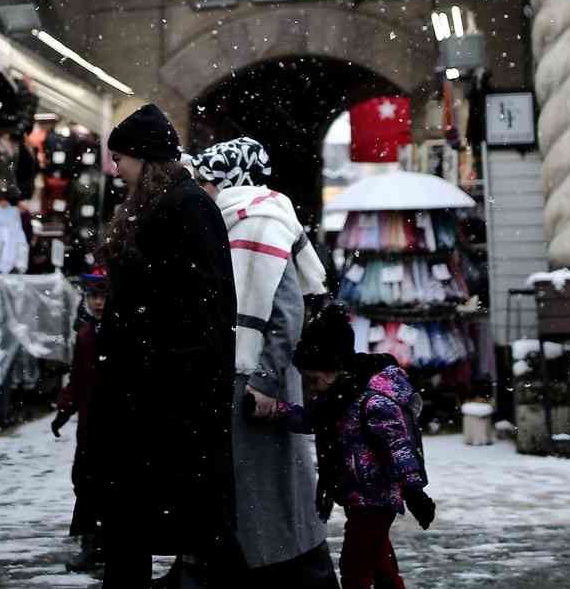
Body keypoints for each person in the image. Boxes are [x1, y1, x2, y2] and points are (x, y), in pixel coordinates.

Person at [89, 103, 238, 588]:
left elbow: (209, 307)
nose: (116, 169)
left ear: (145, 157)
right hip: (144, 391)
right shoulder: (159, 205)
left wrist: (169, 367)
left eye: (121, 158)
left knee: (188, 521)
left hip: (170, 396)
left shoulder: (188, 206)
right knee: (132, 520)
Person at [191, 138, 338, 587]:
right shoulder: (234, 221)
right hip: (243, 378)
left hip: (256, 382)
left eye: (205, 181)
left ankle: (296, 575)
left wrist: (266, 381)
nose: (201, 190)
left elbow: (287, 311)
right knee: (259, 496)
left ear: (228, 179)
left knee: (273, 496)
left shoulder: (260, 220)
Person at [264, 304, 434, 589]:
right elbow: (311, 420)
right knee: (381, 567)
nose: (313, 389)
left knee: (354, 570)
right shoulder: (337, 400)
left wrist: (414, 491)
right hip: (358, 498)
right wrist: (273, 410)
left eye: (315, 380)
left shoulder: (373, 401)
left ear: (336, 368)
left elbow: (399, 448)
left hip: (376, 500)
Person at [53, 268, 108, 574]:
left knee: (107, 485)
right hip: (90, 425)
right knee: (85, 482)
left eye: (103, 296)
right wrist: (65, 408)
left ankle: (104, 544)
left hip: (112, 422)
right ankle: (91, 544)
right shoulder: (86, 333)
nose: (98, 302)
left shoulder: (117, 332)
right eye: (93, 296)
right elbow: (77, 377)